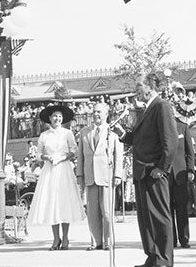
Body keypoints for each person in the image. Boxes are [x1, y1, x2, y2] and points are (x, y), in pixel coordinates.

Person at [114, 72, 177, 267]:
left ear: (150, 86)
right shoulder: (146, 109)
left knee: (159, 215)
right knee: (146, 217)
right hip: (142, 171)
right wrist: (124, 135)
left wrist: (162, 168)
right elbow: (143, 139)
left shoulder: (162, 106)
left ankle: (164, 259)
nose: (136, 90)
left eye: (139, 85)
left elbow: (170, 140)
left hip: (154, 171)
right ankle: (152, 255)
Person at [27, 104, 85, 251]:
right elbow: (39, 153)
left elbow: (74, 150)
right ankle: (55, 238)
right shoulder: (44, 135)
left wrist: (63, 158)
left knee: (63, 202)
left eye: (59, 116)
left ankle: (65, 238)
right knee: (51, 202)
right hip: (50, 170)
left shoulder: (67, 133)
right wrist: (46, 157)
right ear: (50, 119)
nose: (57, 119)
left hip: (64, 169)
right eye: (54, 116)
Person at [76, 102, 124, 251]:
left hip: (107, 176)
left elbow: (118, 156)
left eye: (99, 112)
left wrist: (117, 175)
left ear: (106, 114)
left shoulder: (112, 133)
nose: (96, 115)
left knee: (107, 212)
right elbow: (80, 156)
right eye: (94, 112)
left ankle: (108, 241)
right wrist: (80, 175)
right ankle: (95, 241)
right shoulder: (85, 132)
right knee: (92, 212)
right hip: (90, 176)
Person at [169, 119, 195, 249]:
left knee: (182, 208)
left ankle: (184, 239)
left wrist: (190, 170)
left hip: (181, 173)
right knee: (168, 209)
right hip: (165, 174)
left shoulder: (183, 128)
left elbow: (190, 151)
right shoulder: (160, 127)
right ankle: (171, 240)